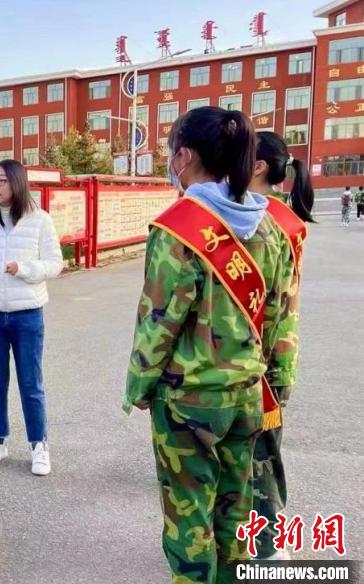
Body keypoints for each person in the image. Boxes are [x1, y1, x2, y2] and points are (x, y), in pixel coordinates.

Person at [123, 107, 293, 583]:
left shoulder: (178, 227)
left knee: (189, 516)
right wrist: (276, 379)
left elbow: (159, 321)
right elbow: (278, 314)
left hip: (188, 401)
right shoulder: (270, 226)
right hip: (246, 394)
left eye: (171, 152)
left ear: (185, 156)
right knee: (235, 513)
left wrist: (139, 387)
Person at [0, 159, 63, 476]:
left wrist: (25, 269)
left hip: (27, 315)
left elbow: (55, 263)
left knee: (31, 383)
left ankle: (39, 445)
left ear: (17, 183)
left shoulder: (40, 220)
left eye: (1, 181)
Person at [250, 131, 315, 560]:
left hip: (261, 357)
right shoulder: (285, 217)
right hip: (277, 353)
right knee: (263, 451)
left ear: (257, 166)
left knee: (259, 456)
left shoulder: (261, 220)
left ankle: (269, 544)